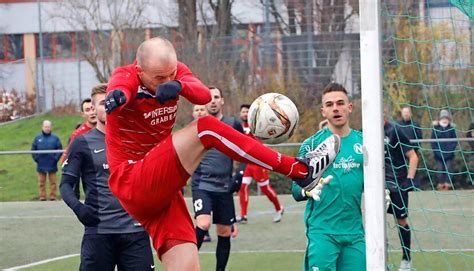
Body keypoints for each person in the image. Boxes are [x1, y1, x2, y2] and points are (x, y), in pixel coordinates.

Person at [104, 36, 337, 270]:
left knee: (187, 267)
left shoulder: (177, 75)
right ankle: (300, 170)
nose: (166, 81)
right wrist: (119, 96)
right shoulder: (126, 76)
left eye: (171, 74)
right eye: (159, 78)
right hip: (132, 179)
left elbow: (203, 95)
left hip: (161, 193)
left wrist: (179, 85)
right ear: (140, 70)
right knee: (206, 127)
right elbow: (120, 88)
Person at [60, 85, 154, 270]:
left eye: (112, 101)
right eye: (103, 103)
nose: (109, 106)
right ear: (93, 109)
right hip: (99, 233)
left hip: (135, 232)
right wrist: (80, 209)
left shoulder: (137, 139)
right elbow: (65, 185)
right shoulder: (82, 142)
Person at [291, 83, 364, 271]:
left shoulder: (364, 142)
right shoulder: (312, 144)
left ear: (350, 107)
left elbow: (383, 177)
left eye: (340, 103)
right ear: (323, 111)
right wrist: (308, 191)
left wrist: (386, 189)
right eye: (330, 104)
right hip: (322, 232)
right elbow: (295, 190)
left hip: (355, 233)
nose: (335, 108)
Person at [191, 87, 243, 270]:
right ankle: (186, 264)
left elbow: (248, 150)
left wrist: (240, 175)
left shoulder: (233, 123)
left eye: (216, 97)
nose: (212, 101)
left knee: (224, 231)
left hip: (224, 186)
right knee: (203, 223)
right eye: (209, 98)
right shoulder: (197, 126)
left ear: (222, 100)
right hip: (202, 184)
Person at [237, 103, 285, 224]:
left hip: (258, 162)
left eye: (247, 112)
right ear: (240, 114)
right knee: (243, 187)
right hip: (247, 163)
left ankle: (279, 208)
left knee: (265, 188)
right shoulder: (238, 127)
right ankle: (243, 215)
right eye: (243, 112)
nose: (245, 113)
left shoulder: (257, 125)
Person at [384, 116, 419, 271]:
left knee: (401, 221)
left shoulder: (395, 130)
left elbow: (413, 157)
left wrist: (409, 179)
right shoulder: (364, 132)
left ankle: (406, 260)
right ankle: (378, 260)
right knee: (373, 222)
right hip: (376, 186)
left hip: (398, 184)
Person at [62, 86, 106, 199]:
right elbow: (68, 160)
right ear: (83, 114)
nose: (91, 113)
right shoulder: (78, 136)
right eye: (87, 110)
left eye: (91, 109)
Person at [31, 120, 62, 201]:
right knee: (41, 182)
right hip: (41, 163)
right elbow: (33, 150)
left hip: (52, 163)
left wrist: (55, 159)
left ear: (51, 127)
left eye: (48, 127)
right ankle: (42, 196)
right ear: (42, 127)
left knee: (53, 182)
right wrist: (36, 159)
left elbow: (59, 149)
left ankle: (53, 196)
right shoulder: (38, 138)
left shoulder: (55, 138)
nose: (47, 128)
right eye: (46, 127)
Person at [396, 106, 423, 189]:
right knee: (401, 168)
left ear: (410, 113)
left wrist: (415, 148)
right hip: (401, 151)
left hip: (413, 150)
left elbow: (419, 137)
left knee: (414, 168)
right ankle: (402, 186)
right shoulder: (398, 125)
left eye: (407, 112)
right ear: (402, 114)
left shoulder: (415, 124)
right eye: (404, 112)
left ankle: (415, 186)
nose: (406, 114)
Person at [431, 109, 458, 191]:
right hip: (438, 154)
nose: (445, 120)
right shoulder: (435, 128)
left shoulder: (451, 129)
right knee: (439, 170)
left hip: (449, 154)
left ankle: (447, 184)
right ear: (440, 119)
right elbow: (432, 142)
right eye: (443, 118)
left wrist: (450, 151)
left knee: (449, 169)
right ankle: (440, 184)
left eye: (446, 118)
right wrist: (437, 152)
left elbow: (454, 141)